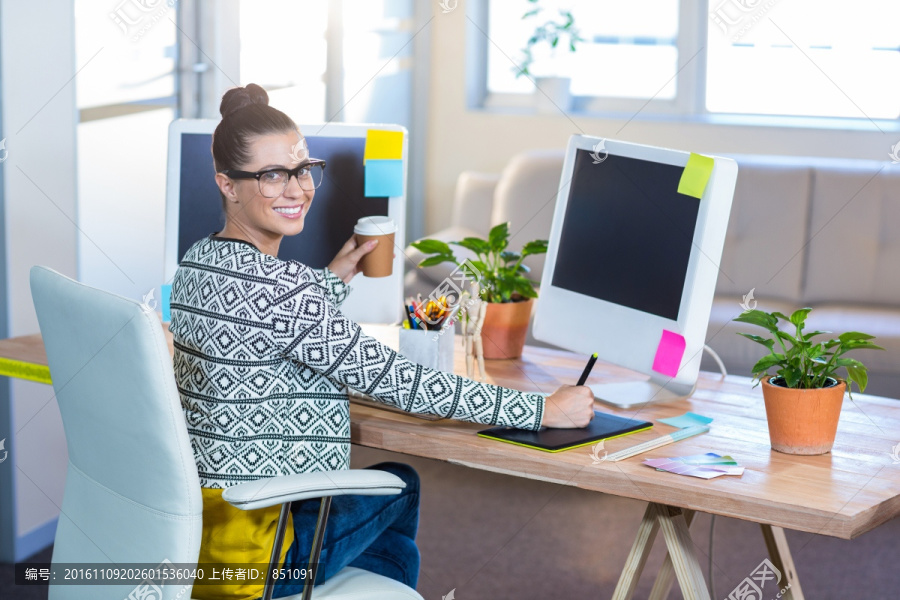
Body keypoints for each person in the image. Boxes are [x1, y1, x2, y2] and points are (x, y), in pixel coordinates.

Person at [168, 83, 595, 600]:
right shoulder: (287, 296)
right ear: (228, 185)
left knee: (390, 544)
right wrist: (543, 409)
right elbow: (404, 384)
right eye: (271, 176)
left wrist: (330, 278)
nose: (298, 189)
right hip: (266, 551)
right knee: (401, 483)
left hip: (200, 538)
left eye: (304, 169)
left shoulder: (195, 262)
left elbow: (257, 320)